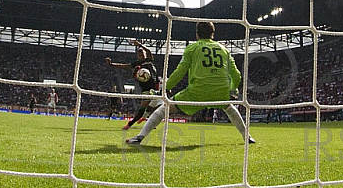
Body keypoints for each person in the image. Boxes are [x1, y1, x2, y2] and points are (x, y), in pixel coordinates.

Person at [125, 21, 254, 145]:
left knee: (165, 108)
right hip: (220, 92)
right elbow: (236, 75)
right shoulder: (224, 50)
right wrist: (232, 90)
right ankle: (247, 136)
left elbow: (179, 72)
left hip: (197, 92)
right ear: (212, 34)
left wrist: (165, 89)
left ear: (197, 34)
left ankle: (139, 137)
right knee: (229, 107)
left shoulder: (192, 48)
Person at [106, 39, 159, 130]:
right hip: (146, 89)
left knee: (156, 107)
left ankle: (148, 122)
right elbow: (123, 66)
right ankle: (130, 124)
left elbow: (149, 51)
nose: (141, 56)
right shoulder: (136, 64)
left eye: (142, 54)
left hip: (156, 87)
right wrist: (111, 64)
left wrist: (140, 45)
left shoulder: (149, 60)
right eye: (139, 55)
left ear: (145, 55)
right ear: (137, 56)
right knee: (144, 108)